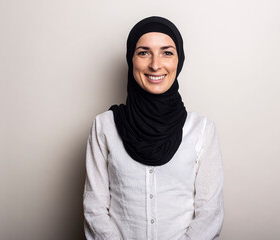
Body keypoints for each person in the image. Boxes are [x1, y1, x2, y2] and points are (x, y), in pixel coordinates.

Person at [83, 16, 224, 240]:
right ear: (131, 60)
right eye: (143, 52)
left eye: (167, 52)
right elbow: (95, 209)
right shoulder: (104, 126)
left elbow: (210, 213)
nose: (155, 64)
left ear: (180, 60)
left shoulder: (202, 129)